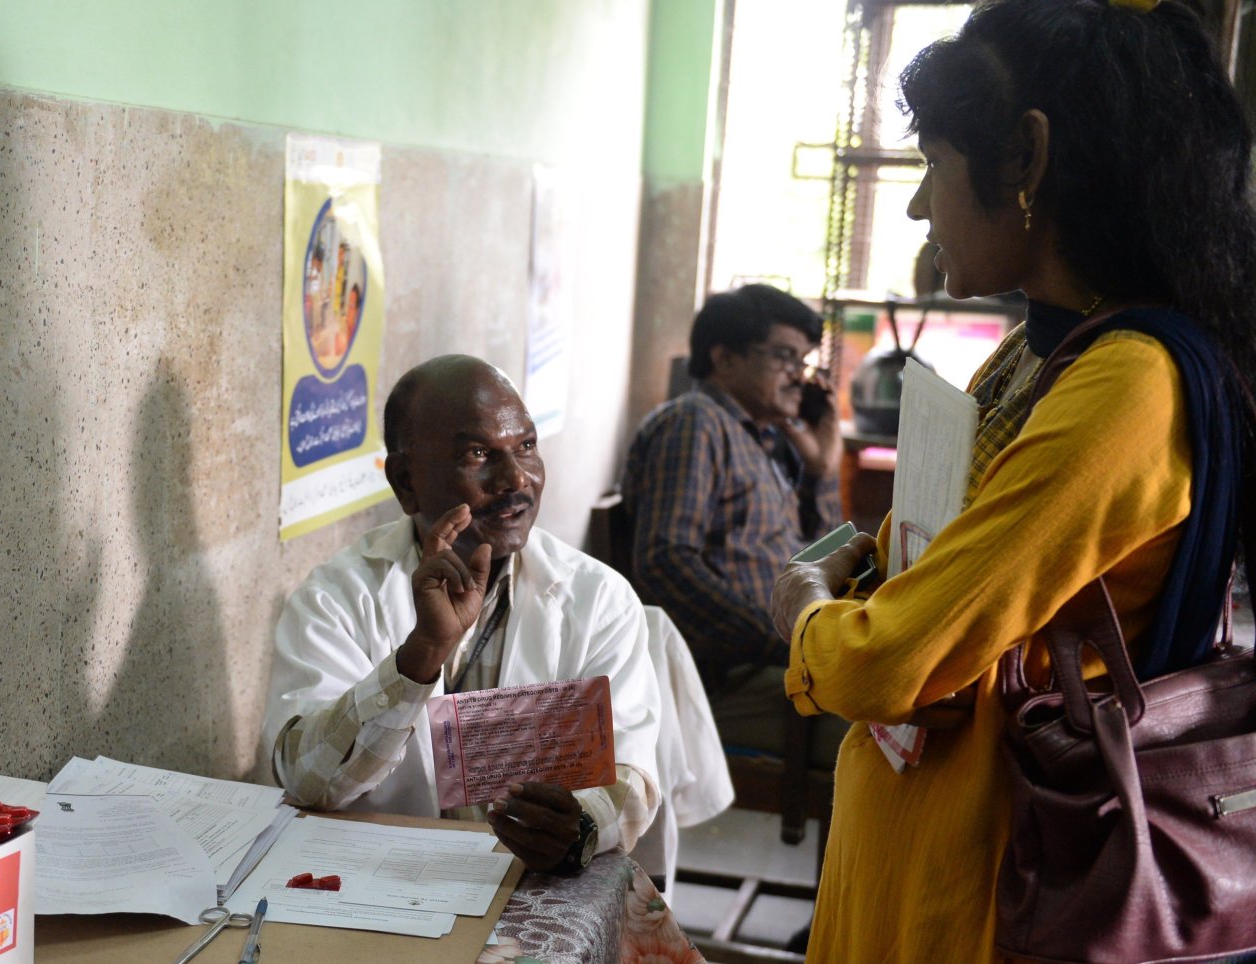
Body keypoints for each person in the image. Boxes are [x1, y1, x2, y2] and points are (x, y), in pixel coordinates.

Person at [766, 1, 1256, 959]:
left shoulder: (1124, 387)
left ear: (1026, 159)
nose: (923, 205)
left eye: (933, 162)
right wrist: (849, 585)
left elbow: (882, 656)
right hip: (911, 830)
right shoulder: (1036, 352)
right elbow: (907, 572)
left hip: (988, 877)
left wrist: (803, 601)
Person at [263, 355, 661, 874]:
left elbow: (630, 774)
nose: (517, 478)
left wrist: (580, 824)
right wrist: (420, 656)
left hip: (532, 885)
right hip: (380, 882)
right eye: (478, 454)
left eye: (527, 447)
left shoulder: (598, 599)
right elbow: (304, 780)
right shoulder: (336, 597)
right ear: (406, 481)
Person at [622, 285, 848, 766]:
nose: (799, 377)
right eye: (785, 358)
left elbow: (822, 556)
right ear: (724, 358)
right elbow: (666, 562)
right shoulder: (694, 423)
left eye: (804, 361)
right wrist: (783, 643)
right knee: (880, 726)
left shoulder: (764, 437)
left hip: (777, 658)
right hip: (726, 677)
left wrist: (823, 472)